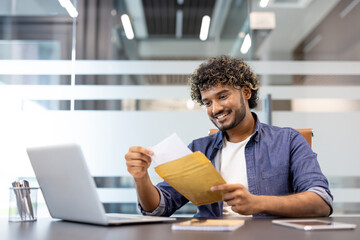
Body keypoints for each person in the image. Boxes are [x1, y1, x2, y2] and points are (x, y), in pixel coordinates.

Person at [125, 55, 333, 218]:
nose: (215, 109)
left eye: (223, 96)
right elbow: (159, 208)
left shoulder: (288, 141)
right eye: (207, 102)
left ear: (245, 92)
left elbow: (321, 201)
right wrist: (141, 178)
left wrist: (257, 203)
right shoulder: (199, 150)